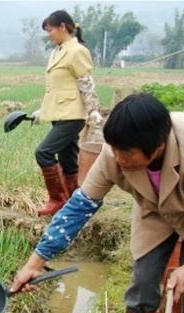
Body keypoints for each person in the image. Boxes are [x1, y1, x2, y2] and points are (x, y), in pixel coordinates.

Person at [11, 93, 184, 313]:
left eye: (126, 153)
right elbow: (78, 208)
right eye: (114, 149)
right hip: (155, 205)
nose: (117, 158)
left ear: (157, 147)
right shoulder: (113, 154)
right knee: (143, 278)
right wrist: (34, 264)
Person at [32, 10, 104, 217]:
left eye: (51, 30)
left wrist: (93, 110)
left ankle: (57, 199)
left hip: (72, 115)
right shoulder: (58, 50)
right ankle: (74, 201)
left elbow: (86, 82)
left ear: (63, 27)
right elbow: (56, 87)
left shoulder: (76, 51)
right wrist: (42, 110)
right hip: (59, 112)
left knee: (43, 152)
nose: (50, 35)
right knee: (68, 160)